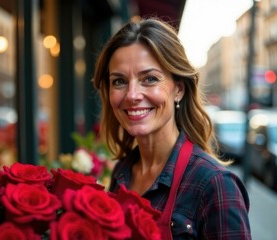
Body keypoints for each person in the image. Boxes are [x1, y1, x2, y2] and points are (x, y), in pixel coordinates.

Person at [92, 17, 251, 239]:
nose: (131, 95)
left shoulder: (215, 185)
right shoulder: (122, 172)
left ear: (178, 89)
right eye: (119, 81)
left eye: (149, 79)